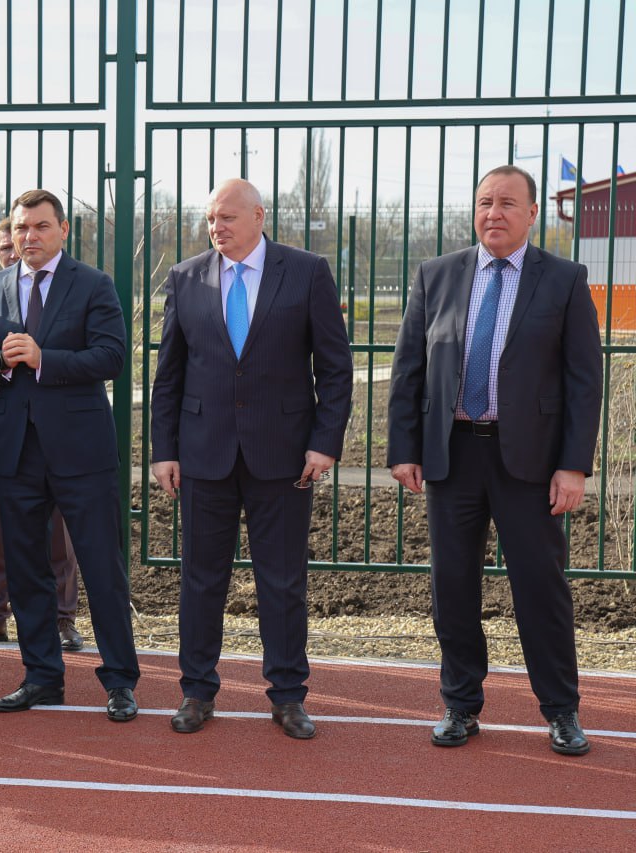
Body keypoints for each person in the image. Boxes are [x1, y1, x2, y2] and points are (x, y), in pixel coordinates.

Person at [387, 164, 602, 756]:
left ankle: (561, 710)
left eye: (508, 202)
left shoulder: (562, 279)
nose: (494, 213)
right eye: (485, 202)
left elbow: (585, 380)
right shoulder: (437, 276)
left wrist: (574, 465)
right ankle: (460, 705)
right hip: (453, 455)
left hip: (530, 464)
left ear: (532, 214)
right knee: (452, 587)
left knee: (540, 588)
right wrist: (403, 448)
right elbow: (410, 369)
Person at [150, 178, 353, 739]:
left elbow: (335, 368)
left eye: (228, 218)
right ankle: (197, 691)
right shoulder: (186, 277)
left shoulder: (307, 271)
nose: (217, 228)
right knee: (201, 579)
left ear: (260, 216)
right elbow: (168, 374)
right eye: (211, 219)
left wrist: (324, 441)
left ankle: (288, 696)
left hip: (284, 457)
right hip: (202, 455)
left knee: (283, 582)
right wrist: (163, 450)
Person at [0, 189, 141, 722]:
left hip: (81, 452)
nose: (29, 237)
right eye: (21, 229)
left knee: (101, 567)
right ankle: (41, 676)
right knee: (27, 569)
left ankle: (120, 681)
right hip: (14, 453)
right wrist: (2, 360)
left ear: (63, 230)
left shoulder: (93, 284)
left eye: (40, 227)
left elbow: (111, 356)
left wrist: (43, 359)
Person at [0, 216, 84, 650]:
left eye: (20, 244)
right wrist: (2, 385)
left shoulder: (65, 292)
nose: (14, 252)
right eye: (6, 247)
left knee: (58, 529)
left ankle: (63, 618)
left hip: (55, 427)